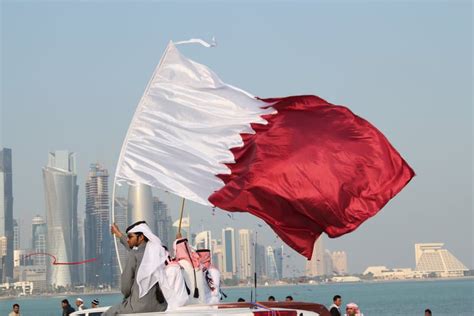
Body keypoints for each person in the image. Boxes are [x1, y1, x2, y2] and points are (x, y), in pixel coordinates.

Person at [106, 221, 168, 315]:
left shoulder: (134, 255)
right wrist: (118, 234)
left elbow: (126, 287)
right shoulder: (161, 252)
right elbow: (138, 250)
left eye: (130, 237)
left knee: (108, 313)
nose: (127, 240)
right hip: (161, 306)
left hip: (137, 306)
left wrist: (127, 295)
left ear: (141, 237)